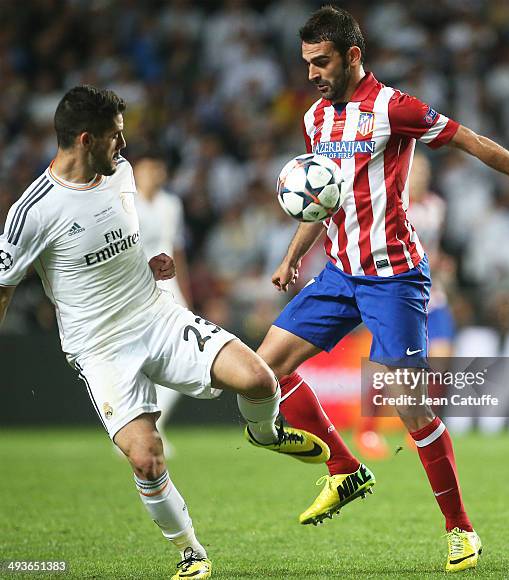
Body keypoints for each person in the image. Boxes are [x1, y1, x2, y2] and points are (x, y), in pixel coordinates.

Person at [251, 6, 509, 573]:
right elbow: (321, 199)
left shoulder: (393, 108)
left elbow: (473, 142)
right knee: (261, 373)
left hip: (394, 278)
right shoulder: (315, 120)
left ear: (353, 56)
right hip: (337, 274)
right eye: (306, 62)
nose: (311, 73)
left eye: (322, 61)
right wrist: (291, 256)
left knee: (408, 404)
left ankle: (461, 531)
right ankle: (344, 468)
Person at [0, 85, 329, 580]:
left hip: (157, 316)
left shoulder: (123, 175)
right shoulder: (32, 213)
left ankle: (265, 433)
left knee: (261, 379)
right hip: (101, 347)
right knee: (147, 458)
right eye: (115, 137)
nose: (124, 147)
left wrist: (153, 265)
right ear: (86, 139)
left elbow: (127, 245)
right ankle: (192, 552)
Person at [133, 150, 192, 456]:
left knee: (185, 358)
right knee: (137, 362)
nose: (153, 174)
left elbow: (176, 248)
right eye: (147, 169)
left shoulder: (172, 204)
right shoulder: (125, 202)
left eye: (157, 169)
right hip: (133, 291)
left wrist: (186, 292)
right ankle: (137, 431)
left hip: (169, 288)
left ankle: (153, 425)